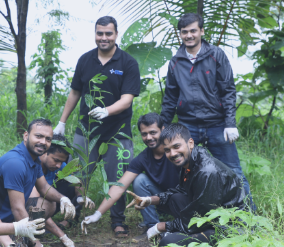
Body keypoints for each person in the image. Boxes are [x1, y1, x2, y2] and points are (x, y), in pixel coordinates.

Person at [52, 16, 141, 238]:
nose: (104, 38)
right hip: (86, 131)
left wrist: (107, 110)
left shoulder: (128, 63)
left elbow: (127, 99)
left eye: (108, 33)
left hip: (118, 133)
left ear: (116, 34)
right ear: (95, 34)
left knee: (117, 177)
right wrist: (62, 122)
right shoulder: (85, 60)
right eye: (99, 33)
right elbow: (75, 92)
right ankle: (72, 214)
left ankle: (118, 220)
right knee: (79, 174)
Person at [160, 13, 255, 210]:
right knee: (183, 171)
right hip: (188, 125)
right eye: (184, 32)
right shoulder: (175, 62)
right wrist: (164, 127)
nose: (189, 35)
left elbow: (228, 90)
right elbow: (170, 98)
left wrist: (230, 123)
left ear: (201, 31)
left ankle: (249, 216)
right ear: (180, 34)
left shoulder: (216, 55)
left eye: (193, 31)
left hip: (217, 125)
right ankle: (187, 215)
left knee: (233, 171)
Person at [127, 123, 246, 246]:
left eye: (177, 146)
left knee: (167, 242)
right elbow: (181, 191)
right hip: (209, 217)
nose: (172, 154)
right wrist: (148, 200)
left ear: (190, 143)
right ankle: (187, 234)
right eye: (167, 150)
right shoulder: (190, 162)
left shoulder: (207, 172)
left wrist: (161, 226)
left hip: (228, 227)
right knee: (175, 198)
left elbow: (200, 217)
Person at [80, 113, 181, 241]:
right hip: (161, 200)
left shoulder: (176, 152)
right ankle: (152, 227)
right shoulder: (142, 158)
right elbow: (119, 187)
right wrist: (97, 214)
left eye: (153, 132)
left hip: (184, 201)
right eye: (144, 134)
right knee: (139, 180)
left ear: (163, 130)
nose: (149, 137)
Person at [0, 119, 77, 247]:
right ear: (26, 136)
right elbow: (18, 209)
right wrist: (37, 243)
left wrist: (63, 199)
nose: (43, 142)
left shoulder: (33, 159)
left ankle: (21, 237)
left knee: (48, 204)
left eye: (48, 139)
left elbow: (44, 187)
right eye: (38, 136)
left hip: (10, 217)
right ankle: (18, 238)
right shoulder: (16, 163)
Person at [29, 134, 95, 230]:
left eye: (61, 162)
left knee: (70, 185)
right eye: (56, 160)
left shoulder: (60, 165)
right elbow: (33, 203)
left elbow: (76, 181)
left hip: (46, 201)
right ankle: (38, 225)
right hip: (29, 204)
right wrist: (60, 235)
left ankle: (64, 220)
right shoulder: (31, 166)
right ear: (44, 152)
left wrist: (81, 197)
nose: (58, 165)